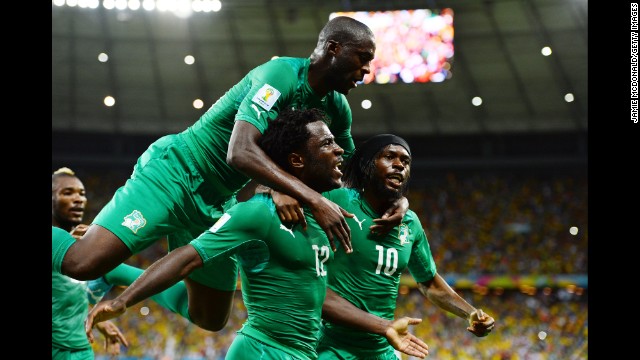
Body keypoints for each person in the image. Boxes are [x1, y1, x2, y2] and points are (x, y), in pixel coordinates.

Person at [59, 15, 409, 332]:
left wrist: (396, 199)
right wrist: (305, 196)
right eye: (362, 58)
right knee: (81, 263)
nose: (366, 71)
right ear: (333, 48)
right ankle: (103, 255)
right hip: (176, 172)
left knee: (210, 318)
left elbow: (349, 171)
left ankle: (120, 272)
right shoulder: (281, 76)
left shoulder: (336, 107)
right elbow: (239, 151)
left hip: (217, 199)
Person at [84, 109, 428, 360]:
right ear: (296, 160)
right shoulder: (258, 214)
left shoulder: (329, 213)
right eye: (327, 144)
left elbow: (322, 297)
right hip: (261, 351)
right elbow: (187, 258)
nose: (340, 150)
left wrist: (382, 326)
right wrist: (122, 301)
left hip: (304, 353)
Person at [312, 134, 496, 359]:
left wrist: (470, 313)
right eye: (389, 157)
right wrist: (279, 194)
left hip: (384, 348)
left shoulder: (410, 223)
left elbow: (429, 281)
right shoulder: (336, 200)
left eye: (405, 161)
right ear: (367, 166)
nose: (399, 165)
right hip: (331, 347)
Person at [52, 168, 128, 359]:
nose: (78, 199)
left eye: (82, 193)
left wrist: (94, 319)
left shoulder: (79, 246)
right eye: (67, 193)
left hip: (82, 350)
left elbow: (69, 294)